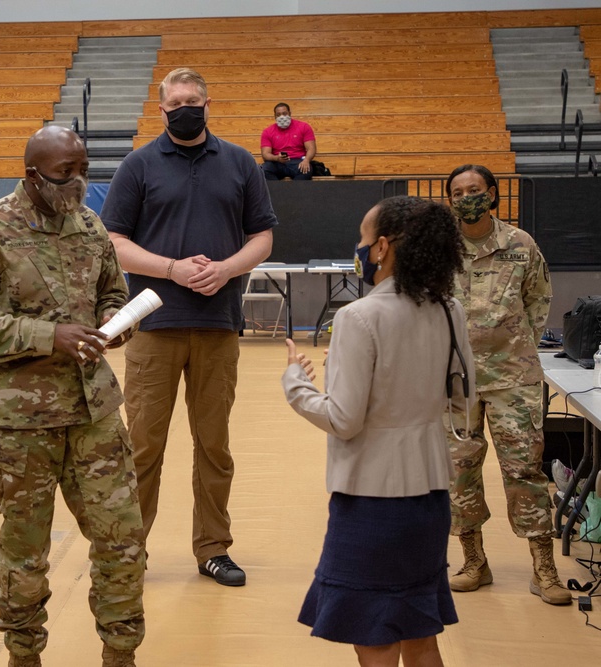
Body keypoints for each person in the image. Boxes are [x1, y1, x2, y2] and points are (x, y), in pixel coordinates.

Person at [0, 125, 145, 667]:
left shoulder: (89, 223)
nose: (77, 182)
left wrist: (114, 320)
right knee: (25, 552)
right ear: (32, 175)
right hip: (19, 422)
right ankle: (23, 653)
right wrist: (47, 335)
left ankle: (120, 654)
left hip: (94, 412)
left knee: (123, 539)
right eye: (64, 174)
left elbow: (112, 289)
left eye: (83, 170)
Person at [100, 67, 277, 587]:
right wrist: (172, 268)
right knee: (143, 445)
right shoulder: (139, 165)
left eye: (193, 100)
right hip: (154, 326)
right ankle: (131, 549)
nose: (186, 107)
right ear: (161, 109)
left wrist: (226, 269)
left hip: (218, 324)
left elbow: (262, 238)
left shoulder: (241, 163)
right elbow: (114, 240)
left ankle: (213, 549)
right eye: (176, 101)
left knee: (214, 446)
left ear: (207, 103)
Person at [283, 196, 474, 666]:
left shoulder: (358, 316)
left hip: (372, 500)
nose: (361, 247)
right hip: (430, 495)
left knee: (373, 633)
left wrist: (296, 385)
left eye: (365, 239)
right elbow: (462, 395)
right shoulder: (449, 309)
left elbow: (344, 420)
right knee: (419, 631)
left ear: (383, 247)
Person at [444, 164, 571, 605]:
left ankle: (544, 568)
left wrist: (522, 345)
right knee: (459, 473)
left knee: (524, 471)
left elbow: (540, 297)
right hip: (456, 381)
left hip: (512, 378)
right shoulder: (440, 248)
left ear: (492, 194)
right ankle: (474, 562)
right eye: (458, 192)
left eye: (474, 190)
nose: (466, 198)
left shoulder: (520, 244)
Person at [260, 102, 317, 181]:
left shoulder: (304, 127)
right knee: (263, 170)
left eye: (284, 113)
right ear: (275, 116)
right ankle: (277, 192)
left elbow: (311, 148)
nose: (282, 116)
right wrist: (277, 158)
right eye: (278, 114)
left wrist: (306, 160)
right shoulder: (267, 131)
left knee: (306, 170)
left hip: (298, 162)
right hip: (277, 162)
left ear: (290, 114)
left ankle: (296, 192)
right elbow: (265, 154)